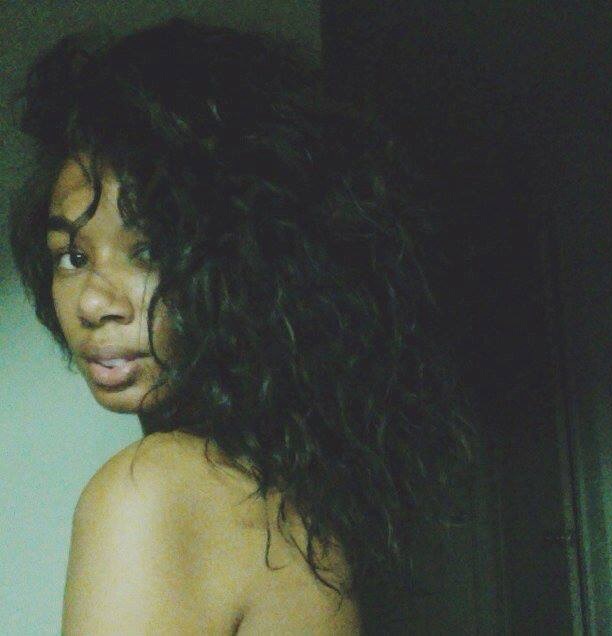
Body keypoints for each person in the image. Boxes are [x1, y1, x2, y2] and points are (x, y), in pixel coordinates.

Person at [8, 16, 478, 634]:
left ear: (250, 265)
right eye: (72, 257)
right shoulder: (295, 501)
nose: (93, 303)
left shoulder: (152, 492)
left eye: (149, 250)